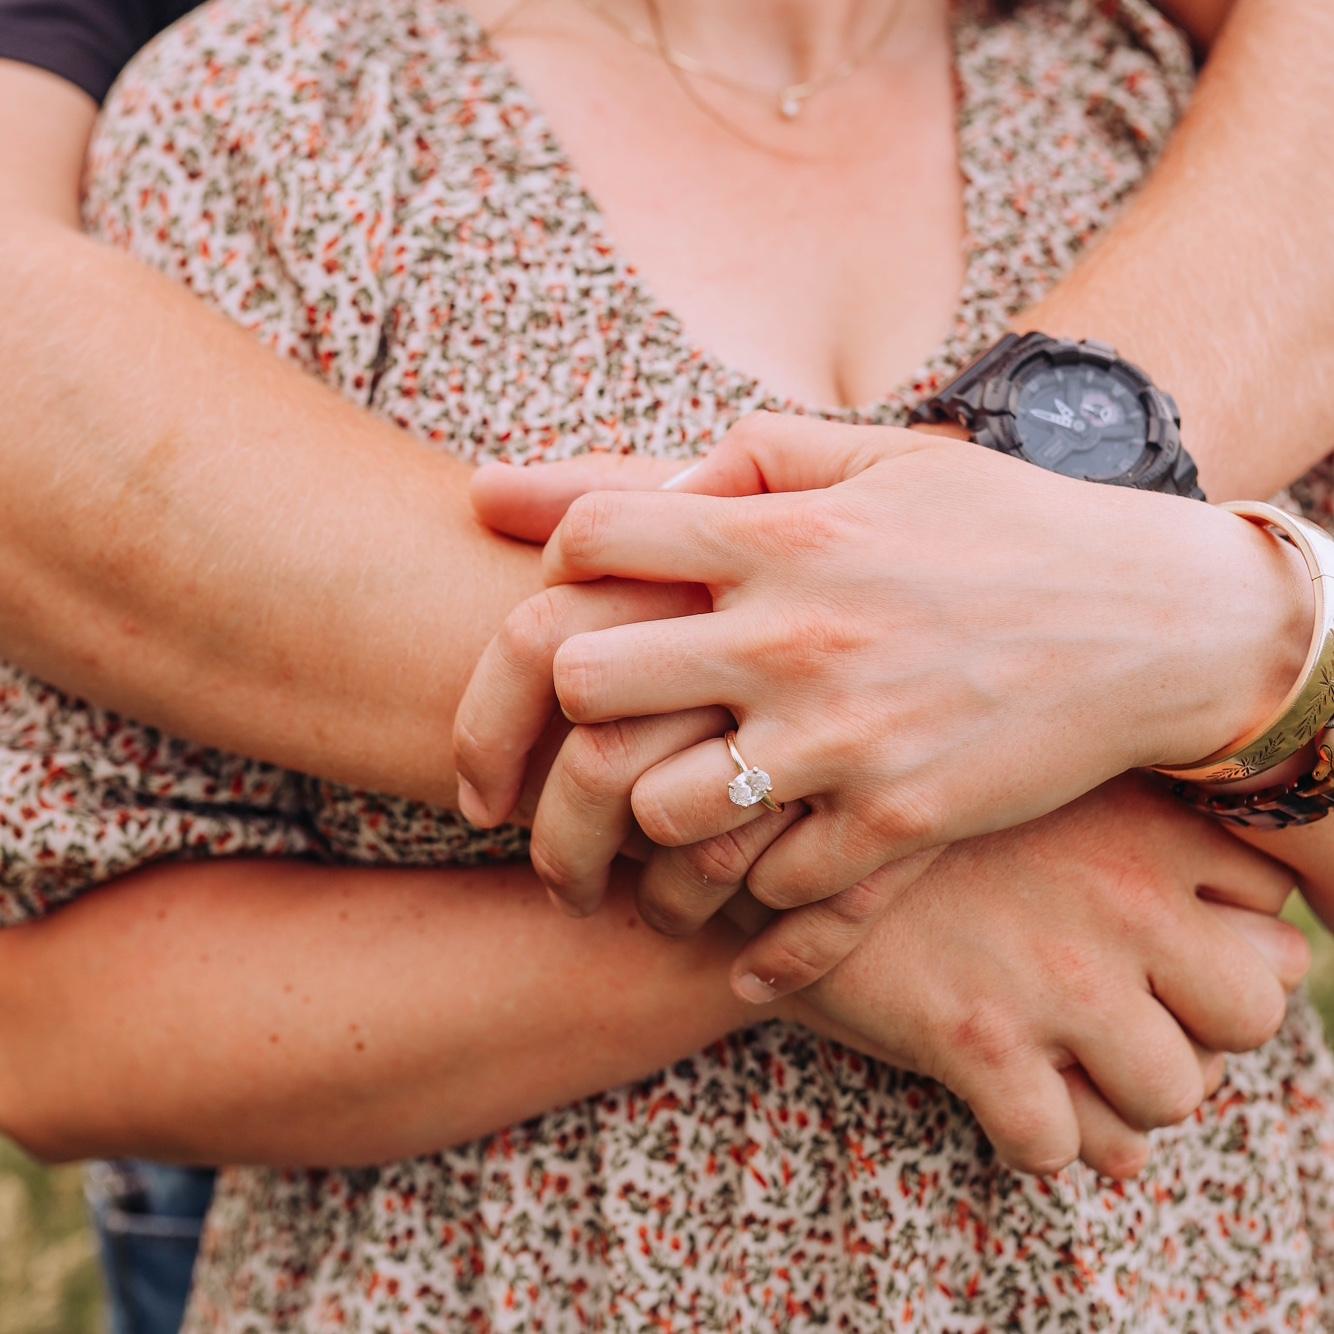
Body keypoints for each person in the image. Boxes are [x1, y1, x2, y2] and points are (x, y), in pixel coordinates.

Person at [0, 0, 1331, 1328]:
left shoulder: (1155, 111)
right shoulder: (279, 126)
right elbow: (68, 1027)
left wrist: (1235, 643)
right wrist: (797, 897)